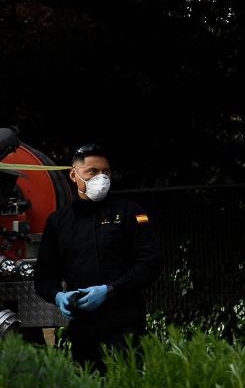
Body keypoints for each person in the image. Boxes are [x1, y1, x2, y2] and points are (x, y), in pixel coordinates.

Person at [34, 143, 161, 372]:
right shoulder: (59, 222)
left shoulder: (130, 212)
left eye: (106, 171)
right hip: (82, 330)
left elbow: (150, 264)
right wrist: (58, 296)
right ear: (74, 175)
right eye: (92, 172)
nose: (101, 178)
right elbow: (44, 278)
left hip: (125, 327)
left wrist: (110, 290)